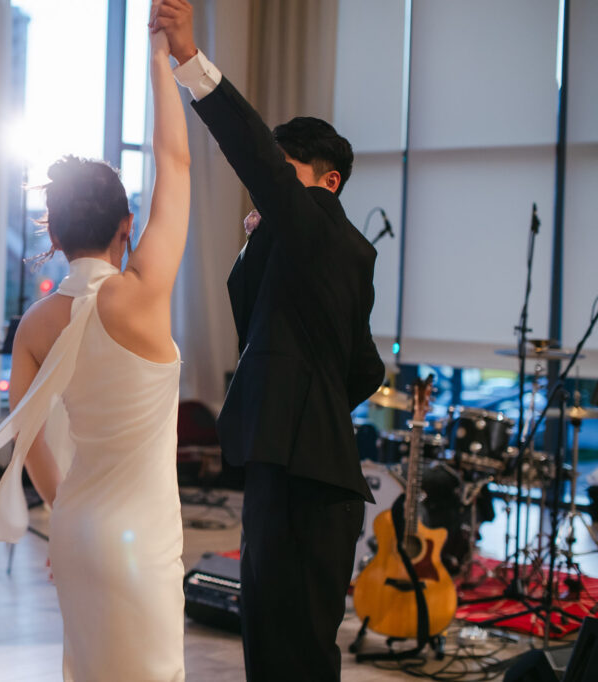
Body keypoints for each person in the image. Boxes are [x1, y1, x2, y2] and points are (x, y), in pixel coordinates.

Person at [0, 21, 191, 681]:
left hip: (75, 529)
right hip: (142, 537)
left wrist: (65, 510)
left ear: (53, 234)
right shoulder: (142, 295)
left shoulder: (34, 325)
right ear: (126, 225)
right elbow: (176, 164)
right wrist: (161, 59)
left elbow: (28, 443)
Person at [151, 1, 385, 680]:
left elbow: (250, 147)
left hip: (311, 483)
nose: (271, 186)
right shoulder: (308, 250)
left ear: (328, 182)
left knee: (300, 655)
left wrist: (189, 60)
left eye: (287, 172)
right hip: (285, 466)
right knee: (267, 647)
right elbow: (363, 368)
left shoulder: (325, 231)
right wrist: (310, 407)